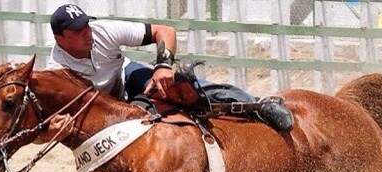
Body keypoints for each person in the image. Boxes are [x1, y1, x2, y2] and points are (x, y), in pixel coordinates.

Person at [39, 4, 292, 143]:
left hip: (128, 76)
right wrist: (50, 133)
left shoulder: (103, 30)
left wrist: (162, 65)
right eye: (77, 30)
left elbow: (165, 31)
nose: (87, 31)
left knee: (186, 88)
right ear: (59, 38)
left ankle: (259, 104)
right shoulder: (57, 72)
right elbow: (45, 124)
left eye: (86, 24)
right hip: (104, 109)